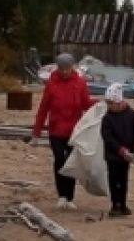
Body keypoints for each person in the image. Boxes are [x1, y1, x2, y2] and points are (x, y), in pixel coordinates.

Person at [30, 52, 92, 210]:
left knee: (71, 163)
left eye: (67, 69)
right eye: (62, 69)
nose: (65, 72)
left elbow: (86, 104)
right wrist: (36, 133)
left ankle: (70, 197)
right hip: (56, 131)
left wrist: (102, 105)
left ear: (72, 68)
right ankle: (62, 196)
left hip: (74, 131)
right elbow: (43, 108)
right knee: (59, 160)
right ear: (57, 68)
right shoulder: (51, 84)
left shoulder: (80, 83)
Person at [100, 82, 134, 216]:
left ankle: (123, 204)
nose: (109, 106)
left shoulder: (132, 114)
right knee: (114, 179)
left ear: (119, 102)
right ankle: (115, 204)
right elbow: (108, 138)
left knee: (123, 179)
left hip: (127, 155)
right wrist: (121, 150)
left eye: (111, 103)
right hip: (113, 155)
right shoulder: (107, 118)